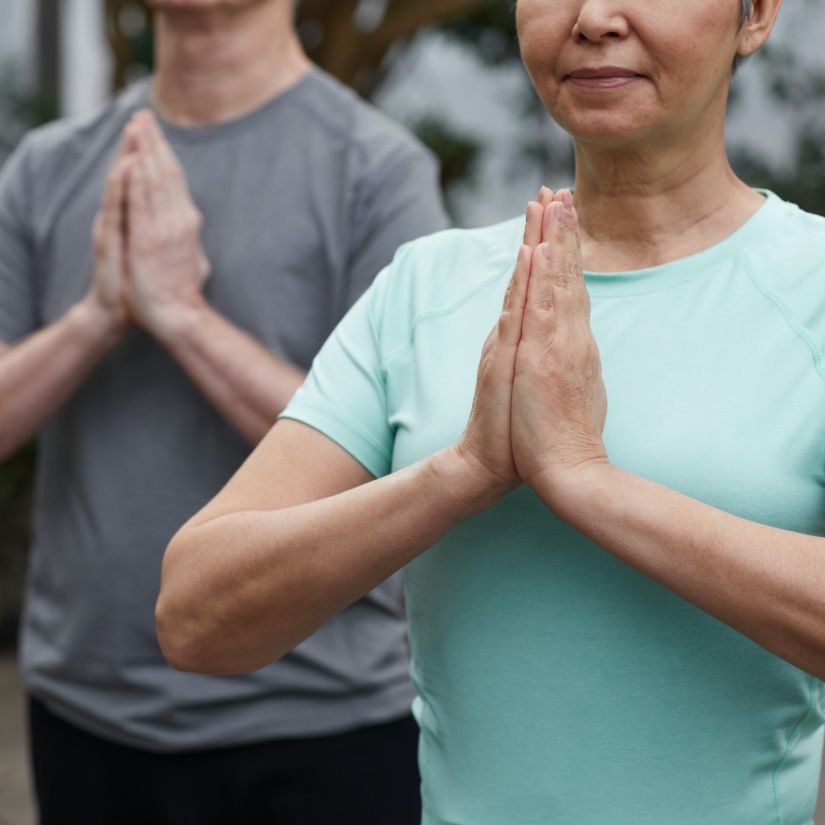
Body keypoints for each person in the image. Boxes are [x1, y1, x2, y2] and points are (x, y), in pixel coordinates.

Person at [157, 0, 825, 822]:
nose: (592, 18)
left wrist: (586, 480)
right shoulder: (425, 289)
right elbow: (196, 618)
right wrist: (463, 471)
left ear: (755, 14)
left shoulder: (812, 289)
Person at [0, 0, 447, 822]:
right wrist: (97, 315)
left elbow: (407, 464)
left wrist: (182, 315)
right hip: (86, 712)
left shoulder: (377, 170)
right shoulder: (46, 166)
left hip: (323, 722)